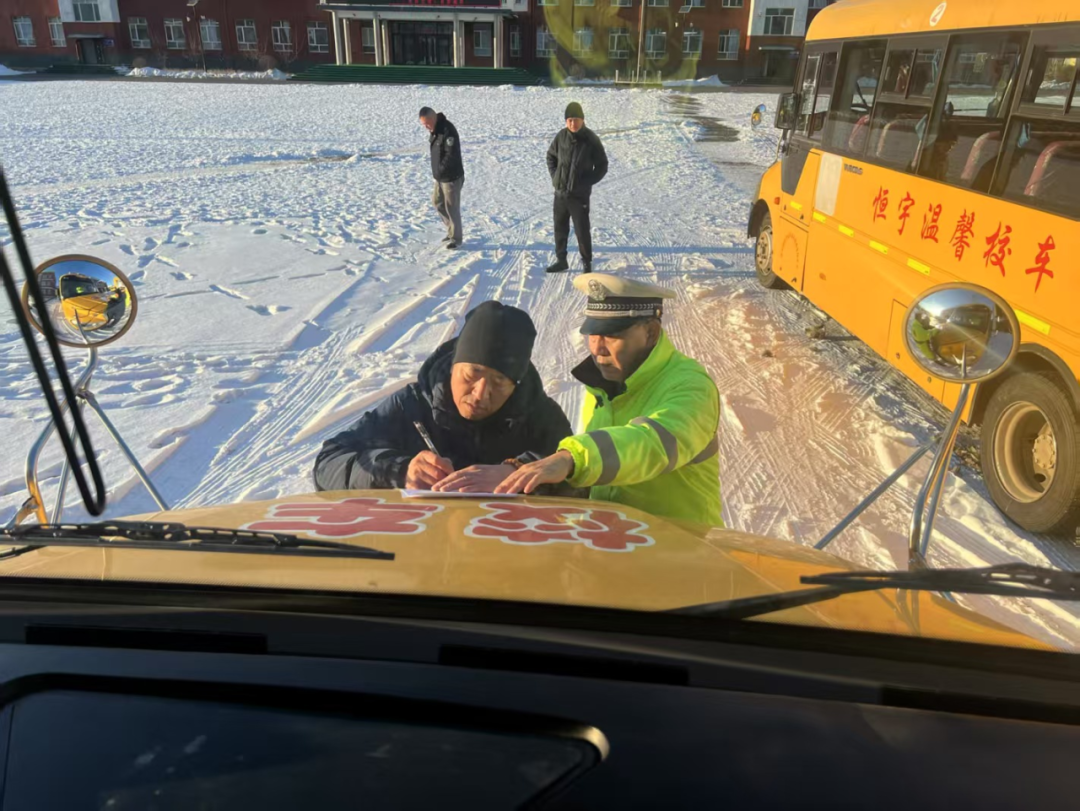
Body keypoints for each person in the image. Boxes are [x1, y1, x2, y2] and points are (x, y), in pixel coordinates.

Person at [496, 274, 722, 526]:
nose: (598, 348)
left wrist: (572, 459)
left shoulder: (691, 385)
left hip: (683, 549)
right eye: (593, 335)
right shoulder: (602, 385)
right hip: (619, 544)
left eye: (612, 335)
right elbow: (606, 470)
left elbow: (653, 445)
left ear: (651, 332)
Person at [313, 300, 572, 493]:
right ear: (453, 366)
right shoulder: (412, 405)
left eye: (500, 382)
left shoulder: (540, 417)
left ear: (516, 384)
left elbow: (579, 484)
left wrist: (518, 473)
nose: (481, 393)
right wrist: (399, 471)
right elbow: (328, 465)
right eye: (472, 374)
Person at [545, 102, 608, 275]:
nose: (573, 124)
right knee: (560, 228)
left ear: (583, 120)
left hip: (579, 196)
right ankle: (561, 260)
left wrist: (586, 182)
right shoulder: (561, 137)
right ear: (566, 121)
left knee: (581, 230)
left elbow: (602, 165)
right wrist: (555, 177)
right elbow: (551, 156)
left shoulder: (591, 139)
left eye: (576, 120)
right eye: (570, 120)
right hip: (560, 194)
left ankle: (587, 263)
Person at [420, 106, 464, 250]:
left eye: (427, 123)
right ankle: (451, 230)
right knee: (437, 202)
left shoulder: (447, 130)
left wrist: (440, 171)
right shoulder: (435, 130)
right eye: (423, 124)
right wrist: (437, 174)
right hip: (440, 177)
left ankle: (456, 238)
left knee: (452, 207)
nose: (426, 127)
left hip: (451, 176)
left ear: (433, 118)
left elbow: (450, 156)